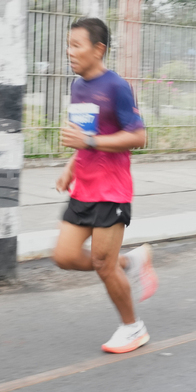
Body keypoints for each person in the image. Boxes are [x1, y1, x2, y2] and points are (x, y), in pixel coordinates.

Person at [51, 18, 157, 354]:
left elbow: (138, 136)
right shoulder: (77, 86)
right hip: (84, 185)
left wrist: (89, 142)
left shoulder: (116, 87)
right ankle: (130, 262)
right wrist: (71, 165)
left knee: (101, 263)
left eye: (76, 45)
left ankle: (133, 328)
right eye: (69, 45)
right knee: (64, 256)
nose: (70, 52)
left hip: (112, 189)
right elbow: (86, 135)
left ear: (99, 49)